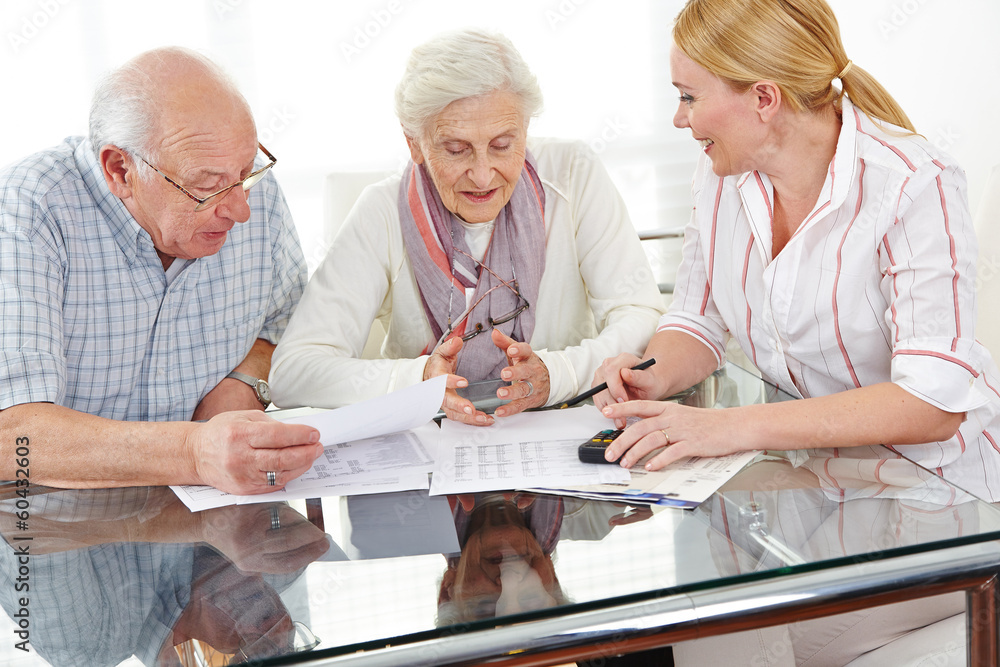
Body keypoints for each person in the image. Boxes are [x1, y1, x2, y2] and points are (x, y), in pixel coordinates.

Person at [591, 0, 999, 663]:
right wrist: (651, 370)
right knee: (648, 629)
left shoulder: (912, 183)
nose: (679, 118)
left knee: (692, 639)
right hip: (813, 492)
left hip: (940, 504)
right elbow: (695, 319)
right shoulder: (722, 174)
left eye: (690, 96)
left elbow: (932, 405)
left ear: (763, 98)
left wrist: (730, 427)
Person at [269, 29, 665, 425]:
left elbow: (640, 316)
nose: (481, 175)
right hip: (427, 448)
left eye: (502, 145)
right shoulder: (381, 210)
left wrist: (558, 374)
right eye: (456, 150)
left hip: (561, 431)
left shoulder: (574, 173)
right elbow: (292, 373)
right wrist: (419, 379)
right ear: (414, 143)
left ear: (525, 129)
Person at [0, 47, 323, 495]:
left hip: (211, 528)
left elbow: (286, 322)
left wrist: (245, 381)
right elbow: (12, 435)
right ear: (120, 170)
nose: (241, 210)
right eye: (207, 186)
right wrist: (194, 452)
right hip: (54, 525)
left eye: (247, 172)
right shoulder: (26, 211)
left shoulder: (251, 193)